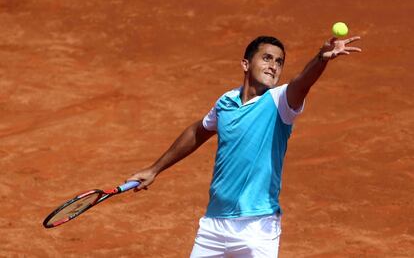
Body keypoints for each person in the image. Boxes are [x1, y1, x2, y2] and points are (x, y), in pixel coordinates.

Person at [127, 35, 361, 257]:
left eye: (279, 62)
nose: (274, 66)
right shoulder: (226, 103)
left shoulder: (280, 102)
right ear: (246, 64)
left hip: (257, 227)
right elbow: (198, 131)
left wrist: (321, 59)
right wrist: (155, 169)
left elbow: (302, 83)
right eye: (267, 58)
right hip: (214, 225)